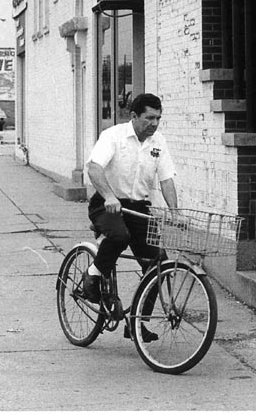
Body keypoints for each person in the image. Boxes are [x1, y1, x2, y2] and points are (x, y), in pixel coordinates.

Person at [83, 92, 178, 336]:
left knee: (158, 263)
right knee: (119, 236)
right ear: (134, 116)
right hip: (107, 203)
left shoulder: (158, 142)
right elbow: (94, 167)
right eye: (149, 118)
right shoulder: (113, 136)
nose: (154, 124)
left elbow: (166, 179)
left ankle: (137, 323)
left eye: (158, 118)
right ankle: (92, 276)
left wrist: (174, 212)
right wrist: (109, 196)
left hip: (138, 208)